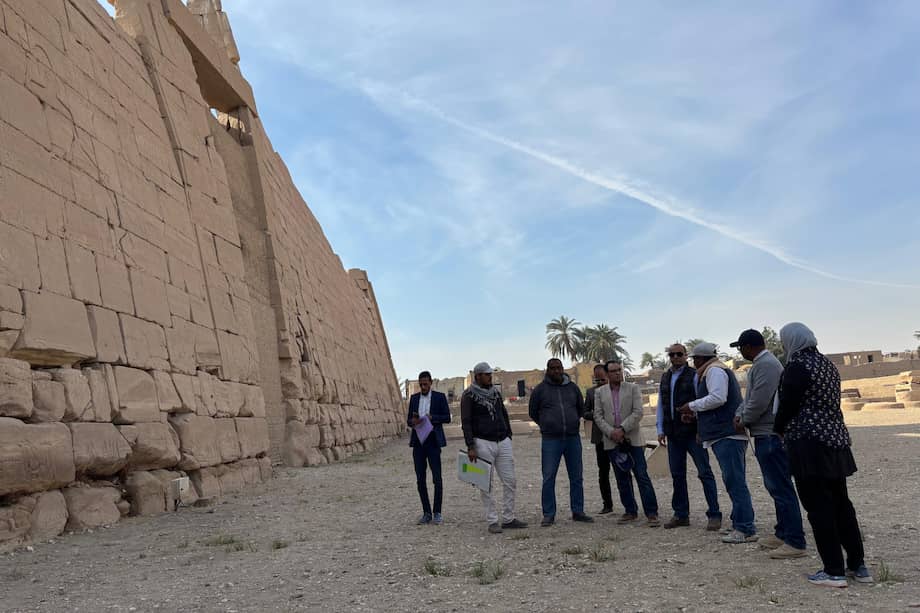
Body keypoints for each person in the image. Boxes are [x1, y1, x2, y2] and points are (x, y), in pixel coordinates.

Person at [773, 323, 872, 588]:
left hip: (809, 444)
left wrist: (778, 429)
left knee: (818, 508)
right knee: (842, 505)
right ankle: (857, 565)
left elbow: (789, 405)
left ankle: (833, 570)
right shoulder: (827, 364)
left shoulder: (797, 367)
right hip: (835, 440)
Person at [732, 329, 807, 558]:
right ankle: (782, 532)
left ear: (748, 347)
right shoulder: (763, 364)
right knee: (775, 487)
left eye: (740, 348)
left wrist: (744, 419)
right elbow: (750, 399)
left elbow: (760, 400)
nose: (740, 352)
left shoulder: (765, 365)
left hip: (770, 434)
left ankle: (794, 541)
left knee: (781, 487)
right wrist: (740, 413)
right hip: (765, 432)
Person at [677, 342, 756, 544]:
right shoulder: (711, 371)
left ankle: (745, 528)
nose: (693, 362)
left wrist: (691, 406)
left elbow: (718, 398)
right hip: (722, 434)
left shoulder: (714, 371)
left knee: (735, 482)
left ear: (701, 358)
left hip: (727, 435)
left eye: (695, 359)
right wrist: (696, 416)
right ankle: (739, 522)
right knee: (732, 481)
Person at [656, 343, 722, 531]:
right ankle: (681, 514)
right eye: (672, 354)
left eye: (679, 354)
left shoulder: (695, 375)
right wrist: (660, 428)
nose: (675, 357)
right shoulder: (665, 376)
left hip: (693, 433)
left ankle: (714, 514)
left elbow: (701, 401)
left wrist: (701, 428)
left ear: (686, 356)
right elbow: (662, 403)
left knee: (704, 472)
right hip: (672, 433)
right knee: (677, 475)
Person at [461, 362, 528, 534]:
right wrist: (470, 445)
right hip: (482, 441)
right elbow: (466, 422)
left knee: (510, 480)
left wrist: (508, 433)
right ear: (478, 376)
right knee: (486, 484)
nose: (490, 377)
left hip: (502, 440)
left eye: (490, 374)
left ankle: (508, 518)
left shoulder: (495, 393)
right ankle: (492, 520)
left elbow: (503, 413)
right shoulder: (469, 395)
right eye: (487, 374)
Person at [529, 358, 593, 527]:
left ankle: (578, 511)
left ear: (562, 369)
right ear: (547, 370)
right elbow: (533, 412)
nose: (556, 371)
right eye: (553, 368)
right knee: (549, 477)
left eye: (559, 368)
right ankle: (549, 513)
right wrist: (546, 424)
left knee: (576, 477)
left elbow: (581, 409)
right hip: (551, 440)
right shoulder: (540, 390)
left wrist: (572, 422)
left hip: (572, 438)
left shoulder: (572, 388)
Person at [594, 360, 660, 527]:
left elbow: (638, 412)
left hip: (633, 439)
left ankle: (651, 513)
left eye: (619, 370)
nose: (617, 373)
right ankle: (630, 510)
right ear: (607, 374)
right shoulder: (600, 392)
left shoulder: (633, 388)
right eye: (613, 371)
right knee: (622, 477)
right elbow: (598, 416)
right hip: (612, 441)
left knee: (641, 475)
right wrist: (611, 432)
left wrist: (622, 429)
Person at [407, 371, 451, 525]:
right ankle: (426, 512)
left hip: (433, 441)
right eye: (421, 384)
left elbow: (447, 417)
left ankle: (437, 511)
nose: (423, 387)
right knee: (420, 479)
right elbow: (408, 421)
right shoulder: (414, 399)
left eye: (425, 384)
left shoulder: (439, 397)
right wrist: (413, 421)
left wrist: (433, 418)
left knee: (437, 478)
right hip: (418, 442)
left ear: (431, 383)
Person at [582, 364, 614, 513]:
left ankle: (629, 505)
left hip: (617, 436)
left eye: (603, 379)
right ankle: (607, 504)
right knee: (603, 472)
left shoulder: (617, 390)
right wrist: (596, 414)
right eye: (597, 380)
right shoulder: (590, 393)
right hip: (600, 438)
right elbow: (585, 413)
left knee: (622, 471)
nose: (600, 382)